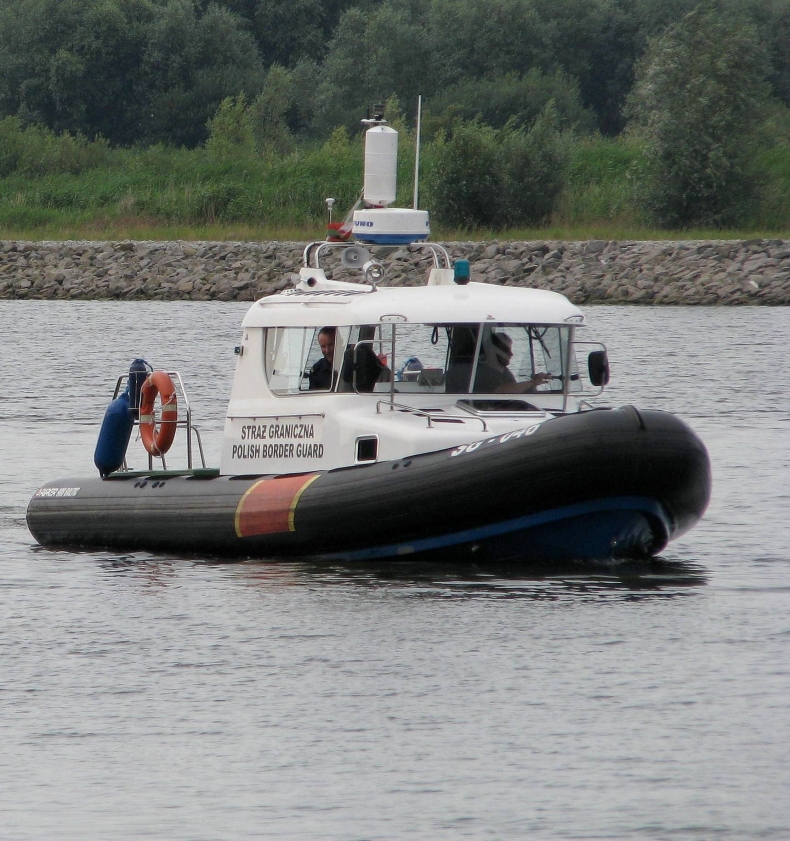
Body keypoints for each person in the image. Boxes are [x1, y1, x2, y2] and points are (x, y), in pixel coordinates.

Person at [473, 331, 551, 394]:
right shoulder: (483, 372)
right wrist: (533, 382)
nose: (511, 354)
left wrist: (532, 386)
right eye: (505, 350)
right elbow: (501, 392)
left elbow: (516, 391)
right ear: (491, 350)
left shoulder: (505, 372)